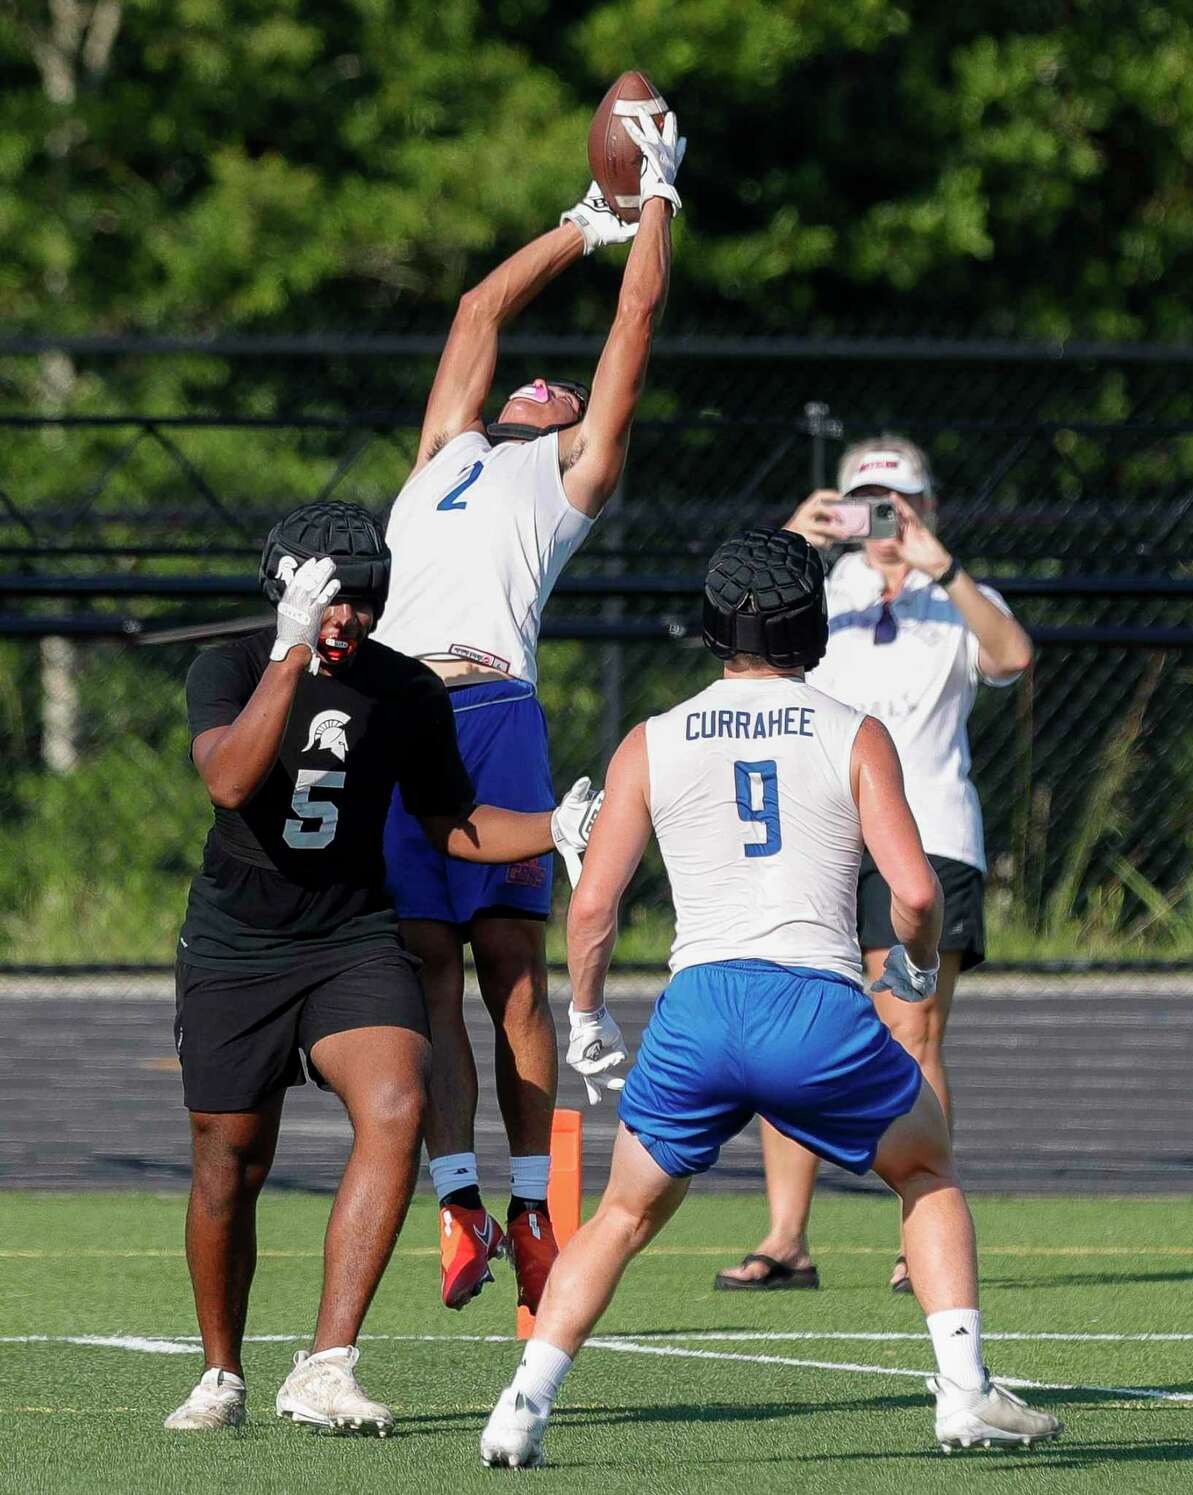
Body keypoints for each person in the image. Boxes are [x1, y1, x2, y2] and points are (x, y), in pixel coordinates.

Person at [479, 527, 1061, 1468]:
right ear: (815, 628)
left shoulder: (651, 739)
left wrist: (586, 1016)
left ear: (714, 629)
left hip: (699, 1008)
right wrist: (911, 969)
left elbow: (590, 906)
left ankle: (520, 1406)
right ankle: (963, 1391)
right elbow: (914, 894)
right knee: (926, 1168)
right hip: (815, 1009)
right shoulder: (854, 730)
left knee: (622, 1215)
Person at [164, 501, 597, 1435]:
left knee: (400, 1099)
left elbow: (456, 824)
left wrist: (554, 829)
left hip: (351, 932)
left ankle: (326, 1363)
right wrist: (288, 657)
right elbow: (230, 781)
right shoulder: (229, 665)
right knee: (228, 1158)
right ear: (282, 589)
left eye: (361, 599)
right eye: (327, 596)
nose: (345, 616)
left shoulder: (405, 690)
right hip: (239, 940)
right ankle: (221, 1372)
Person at [371, 108, 685, 1315]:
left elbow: (635, 323)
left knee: (512, 971)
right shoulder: (447, 450)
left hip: (492, 703)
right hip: (401, 706)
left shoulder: (568, 478)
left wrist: (657, 196)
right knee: (425, 965)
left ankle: (530, 1211)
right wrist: (580, 224)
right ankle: (458, 1208)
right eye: (533, 387)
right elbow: (474, 315)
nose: (541, 384)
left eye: (560, 394)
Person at [716, 436, 1033, 1295]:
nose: (882, 524)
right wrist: (793, 541)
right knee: (787, 1023)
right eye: (865, 503)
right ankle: (787, 1236)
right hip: (823, 834)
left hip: (928, 837)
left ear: (927, 509)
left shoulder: (955, 596)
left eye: (897, 506)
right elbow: (737, 638)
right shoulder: (826, 587)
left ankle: (916, 1233)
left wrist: (946, 568)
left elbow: (1012, 658)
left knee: (912, 1030)